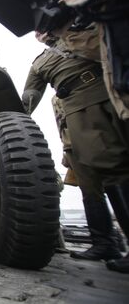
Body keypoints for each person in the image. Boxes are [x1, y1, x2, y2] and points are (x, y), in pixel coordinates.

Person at [22, 29, 129, 273]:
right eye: (37, 31)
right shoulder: (40, 62)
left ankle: (107, 242)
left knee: (115, 170)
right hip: (81, 110)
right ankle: (104, 242)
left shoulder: (86, 32)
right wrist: (13, 122)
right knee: (103, 175)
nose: (40, 33)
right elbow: (30, 95)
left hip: (115, 92)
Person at [50, 95, 122, 261]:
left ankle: (108, 243)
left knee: (114, 180)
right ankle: (104, 243)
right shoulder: (58, 98)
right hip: (74, 146)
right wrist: (67, 150)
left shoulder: (83, 90)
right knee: (90, 190)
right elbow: (64, 125)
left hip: (100, 136)